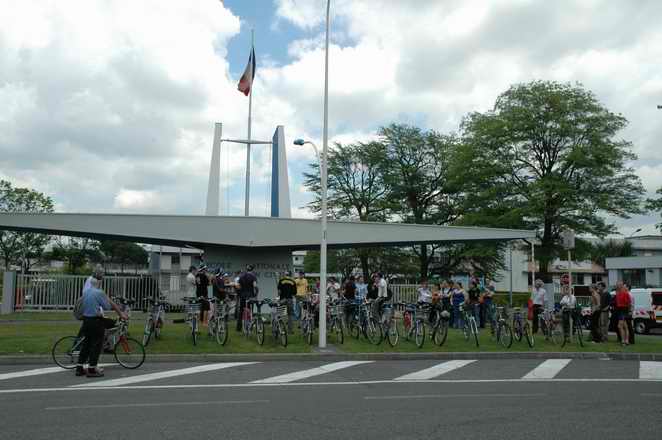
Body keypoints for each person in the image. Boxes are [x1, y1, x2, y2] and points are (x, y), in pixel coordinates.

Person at [76, 276, 128, 378]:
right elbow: (107, 306)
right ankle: (92, 369)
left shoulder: (86, 292)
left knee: (86, 344)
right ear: (99, 284)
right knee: (96, 345)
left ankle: (79, 368)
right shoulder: (99, 292)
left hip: (86, 320)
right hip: (95, 321)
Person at [236, 265, 257, 332]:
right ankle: (249, 327)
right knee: (250, 311)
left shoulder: (241, 276)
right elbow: (255, 286)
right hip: (250, 296)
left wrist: (240, 293)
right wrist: (256, 294)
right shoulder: (253, 276)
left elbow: (238, 286)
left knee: (241, 311)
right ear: (252, 270)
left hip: (243, 296)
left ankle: (239, 327)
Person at [614, 281, 631, 347]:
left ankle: (623, 341)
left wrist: (629, 311)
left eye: (618, 285)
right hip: (620, 310)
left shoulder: (625, 293)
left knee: (620, 326)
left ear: (621, 285)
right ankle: (626, 340)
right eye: (617, 285)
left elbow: (628, 303)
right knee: (625, 326)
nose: (617, 286)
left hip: (623, 310)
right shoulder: (617, 292)